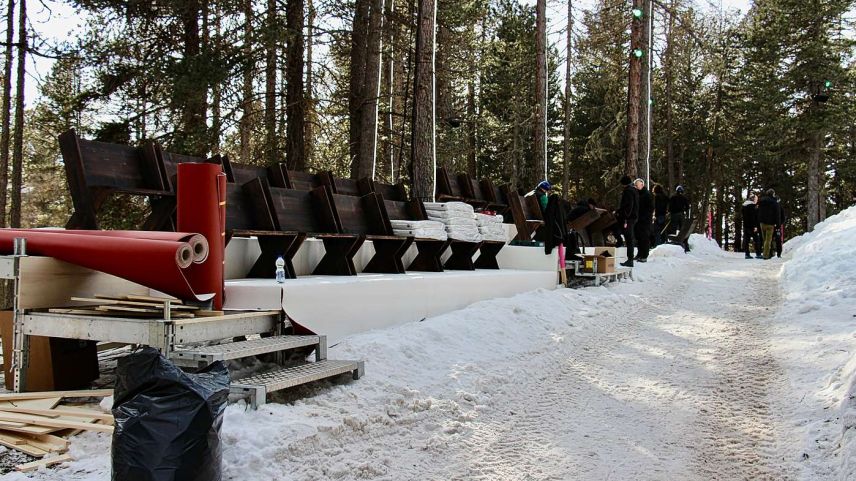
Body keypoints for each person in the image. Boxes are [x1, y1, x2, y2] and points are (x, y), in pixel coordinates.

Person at [616, 175, 638, 267]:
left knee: (629, 238)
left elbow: (628, 205)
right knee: (629, 238)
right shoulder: (634, 191)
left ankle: (630, 259)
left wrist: (624, 215)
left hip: (627, 218)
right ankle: (630, 259)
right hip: (632, 217)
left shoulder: (628, 191)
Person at [757, 188, 781, 260]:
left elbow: (758, 211)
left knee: (764, 239)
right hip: (770, 223)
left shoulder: (761, 201)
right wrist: (778, 224)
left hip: (762, 223)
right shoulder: (774, 202)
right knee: (768, 240)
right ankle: (766, 255)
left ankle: (766, 253)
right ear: (773, 194)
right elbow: (777, 214)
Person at [633, 179, 653, 262]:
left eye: (637, 186)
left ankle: (644, 255)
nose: (636, 187)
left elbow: (650, 208)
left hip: (644, 220)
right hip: (638, 220)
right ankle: (639, 253)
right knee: (638, 237)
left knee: (644, 237)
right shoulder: (638, 194)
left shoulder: (646, 195)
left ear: (641, 185)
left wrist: (645, 217)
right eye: (635, 186)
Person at [740, 194, 762, 259]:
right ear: (753, 199)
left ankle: (747, 254)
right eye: (756, 199)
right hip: (752, 226)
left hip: (745, 225)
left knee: (746, 240)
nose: (757, 200)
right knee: (757, 240)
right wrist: (755, 226)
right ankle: (758, 254)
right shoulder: (753, 206)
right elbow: (754, 217)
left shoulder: (744, 206)